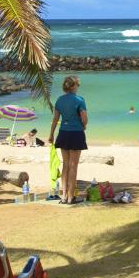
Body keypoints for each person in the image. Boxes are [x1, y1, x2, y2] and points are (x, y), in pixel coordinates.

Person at [49, 75, 88, 205]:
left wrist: (51, 135)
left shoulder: (59, 100)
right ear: (73, 86)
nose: (78, 87)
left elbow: (55, 119)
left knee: (65, 164)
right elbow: (84, 118)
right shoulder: (79, 100)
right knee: (73, 166)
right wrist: (84, 126)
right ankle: (71, 197)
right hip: (76, 133)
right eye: (77, 85)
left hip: (63, 133)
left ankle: (64, 196)